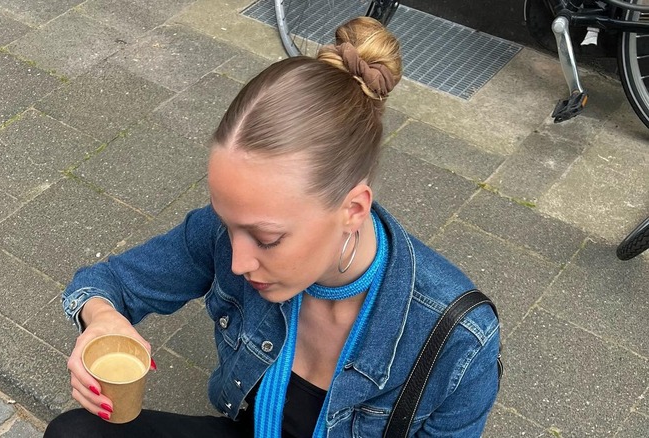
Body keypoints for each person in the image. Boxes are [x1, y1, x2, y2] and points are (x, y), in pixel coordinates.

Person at [44, 16, 501, 438]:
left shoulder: (457, 340)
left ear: (353, 210)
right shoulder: (225, 239)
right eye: (228, 223)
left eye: (267, 239)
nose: (239, 260)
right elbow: (105, 282)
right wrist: (102, 320)